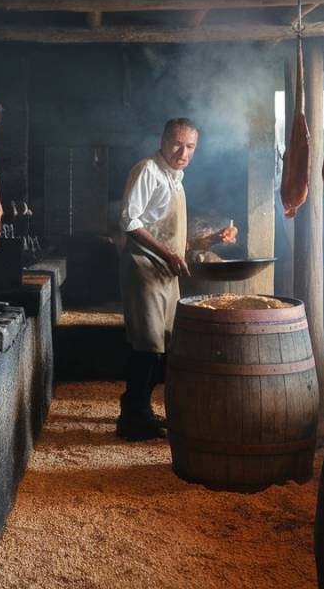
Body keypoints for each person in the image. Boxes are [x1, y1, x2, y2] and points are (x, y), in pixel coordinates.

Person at [116, 118, 238, 440]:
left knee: (162, 344)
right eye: (176, 144)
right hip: (144, 269)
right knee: (147, 345)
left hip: (166, 273)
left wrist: (212, 239)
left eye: (190, 147)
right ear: (163, 139)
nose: (182, 153)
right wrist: (168, 255)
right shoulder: (148, 171)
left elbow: (176, 240)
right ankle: (132, 419)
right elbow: (129, 220)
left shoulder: (176, 179)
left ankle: (138, 409)